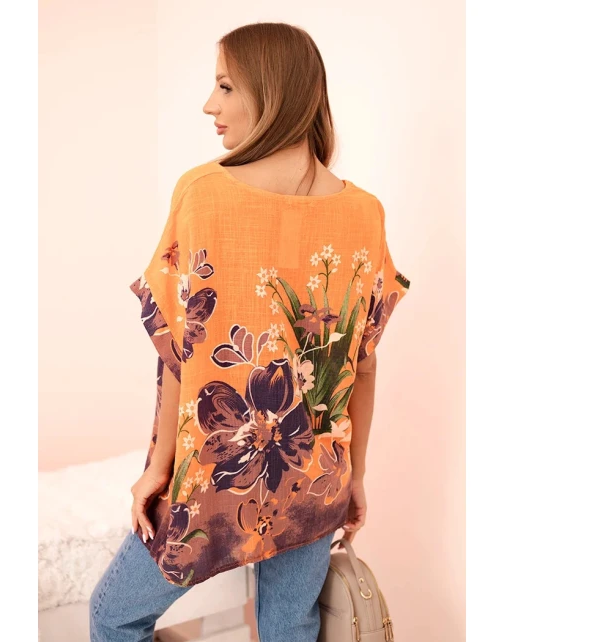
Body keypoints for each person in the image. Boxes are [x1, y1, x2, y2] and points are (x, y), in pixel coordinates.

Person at [90, 21, 410, 642]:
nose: (210, 105)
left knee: (113, 616)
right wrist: (355, 476)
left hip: (217, 478)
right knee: (288, 629)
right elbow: (362, 364)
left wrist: (159, 468)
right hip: (315, 475)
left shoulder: (202, 193)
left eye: (226, 86)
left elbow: (180, 353)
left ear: (272, 90)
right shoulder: (365, 212)